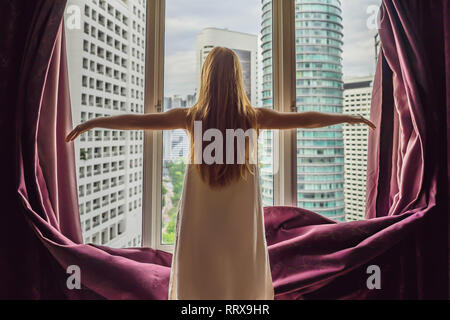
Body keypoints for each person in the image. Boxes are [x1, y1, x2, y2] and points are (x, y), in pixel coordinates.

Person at [66, 46, 375, 300]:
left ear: (207, 78)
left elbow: (138, 122)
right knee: (239, 261)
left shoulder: (190, 117)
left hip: (203, 212)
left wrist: (95, 121)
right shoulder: (251, 118)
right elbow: (302, 119)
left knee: (200, 259)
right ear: (236, 79)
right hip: (238, 213)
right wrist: (346, 117)